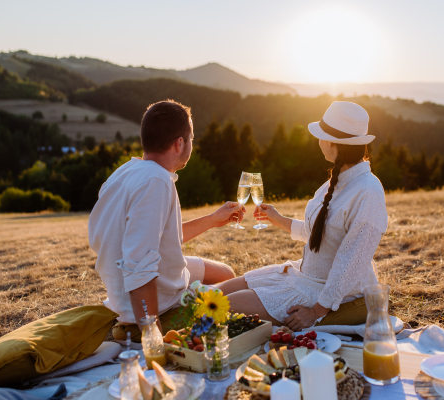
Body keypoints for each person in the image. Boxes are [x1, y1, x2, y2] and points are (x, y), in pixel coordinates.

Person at [219, 101, 388, 331]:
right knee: (217, 292)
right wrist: (278, 219)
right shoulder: (338, 180)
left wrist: (315, 312)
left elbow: (352, 263)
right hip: (302, 276)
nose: (318, 141)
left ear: (330, 143)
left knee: (225, 304)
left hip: (329, 292)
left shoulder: (368, 190)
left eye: (321, 136)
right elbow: (322, 234)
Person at [88, 99, 245, 340]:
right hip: (150, 298)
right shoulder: (156, 181)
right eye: (191, 138)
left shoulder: (127, 172)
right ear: (180, 143)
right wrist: (155, 341)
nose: (192, 144)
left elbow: (155, 235)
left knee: (225, 272)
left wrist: (214, 219)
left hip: (137, 276)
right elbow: (139, 267)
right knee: (240, 296)